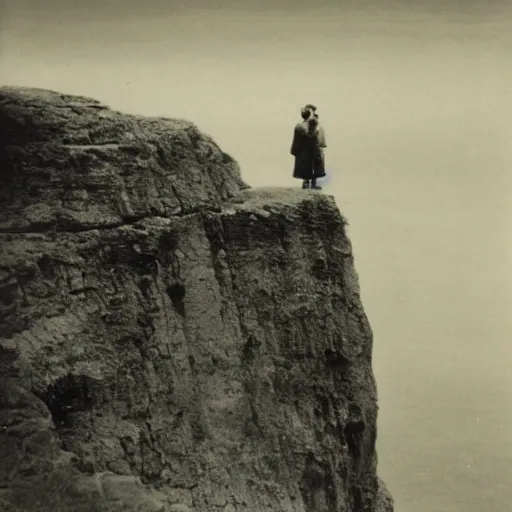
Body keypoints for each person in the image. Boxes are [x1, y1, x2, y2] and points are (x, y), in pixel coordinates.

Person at [290, 104, 326, 190]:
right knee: (312, 167)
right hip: (311, 151)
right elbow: (321, 140)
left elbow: (297, 140)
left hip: (307, 151)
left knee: (309, 167)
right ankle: (310, 184)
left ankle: (308, 183)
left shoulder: (300, 126)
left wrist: (294, 150)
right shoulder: (317, 126)